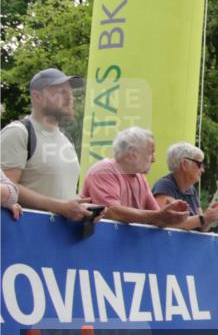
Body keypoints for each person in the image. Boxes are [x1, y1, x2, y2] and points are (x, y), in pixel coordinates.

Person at [0, 68, 96, 221]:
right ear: (37, 97)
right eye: (61, 92)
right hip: (24, 238)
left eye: (70, 92)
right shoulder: (18, 132)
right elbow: (7, 188)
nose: (69, 97)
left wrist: (82, 209)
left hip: (59, 240)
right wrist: (59, 206)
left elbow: (61, 193)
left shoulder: (66, 139)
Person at [81, 127, 189, 228]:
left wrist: (172, 216)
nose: (154, 159)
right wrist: (160, 215)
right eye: (151, 153)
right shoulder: (103, 171)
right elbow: (113, 212)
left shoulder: (140, 178)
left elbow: (157, 217)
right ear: (133, 153)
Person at [152, 142, 218, 231]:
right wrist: (203, 218)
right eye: (199, 164)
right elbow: (166, 222)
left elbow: (201, 228)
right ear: (184, 164)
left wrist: (210, 218)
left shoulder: (191, 190)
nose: (202, 170)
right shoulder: (164, 185)